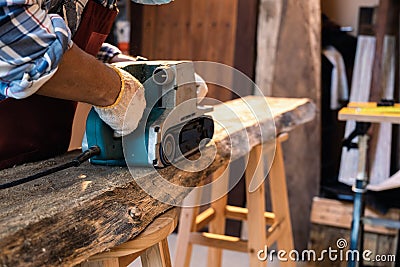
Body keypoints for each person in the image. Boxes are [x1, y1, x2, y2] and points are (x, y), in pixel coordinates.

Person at [0, 0, 171, 169]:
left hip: (41, 158)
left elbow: (60, 29)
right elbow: (11, 35)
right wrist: (114, 91)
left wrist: (115, 62)